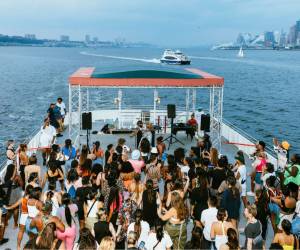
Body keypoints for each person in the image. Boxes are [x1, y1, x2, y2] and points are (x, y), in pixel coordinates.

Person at [4, 184, 33, 250]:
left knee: (21, 231)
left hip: (23, 216)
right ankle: (30, 246)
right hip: (30, 218)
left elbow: (13, 206)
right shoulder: (34, 200)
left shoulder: (22, 199)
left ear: (26, 191)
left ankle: (18, 246)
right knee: (31, 234)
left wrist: (7, 207)